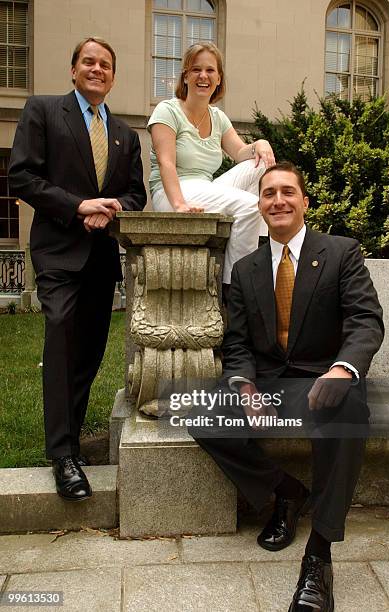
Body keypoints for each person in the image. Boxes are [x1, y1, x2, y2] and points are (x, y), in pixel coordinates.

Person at [191, 162, 384, 611]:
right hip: (272, 382)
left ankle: (318, 555)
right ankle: (286, 490)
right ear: (259, 205)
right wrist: (244, 387)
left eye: (287, 192)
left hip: (326, 376)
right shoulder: (245, 269)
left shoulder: (341, 252)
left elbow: (364, 319)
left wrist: (342, 370)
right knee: (196, 412)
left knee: (349, 415)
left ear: (304, 202)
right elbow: (236, 343)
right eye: (268, 194)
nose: (278, 200)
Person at [8, 37, 146, 501]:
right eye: (89, 61)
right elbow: (22, 176)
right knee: (61, 335)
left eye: (105, 64)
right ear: (73, 70)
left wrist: (108, 211)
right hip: (58, 252)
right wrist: (78, 205)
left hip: (101, 256)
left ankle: (71, 442)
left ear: (112, 76)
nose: (97, 69)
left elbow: (135, 195)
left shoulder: (126, 135)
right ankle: (62, 454)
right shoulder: (44, 111)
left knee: (88, 351)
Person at [147, 42, 275, 289]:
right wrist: (179, 205)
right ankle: (234, 287)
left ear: (218, 79)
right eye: (196, 70)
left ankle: (255, 240)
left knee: (262, 165)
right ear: (185, 76)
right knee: (250, 204)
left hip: (205, 187)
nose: (203, 76)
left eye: (210, 70)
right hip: (172, 192)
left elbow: (240, 153)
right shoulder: (167, 110)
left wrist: (260, 143)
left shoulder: (217, 116)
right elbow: (166, 162)